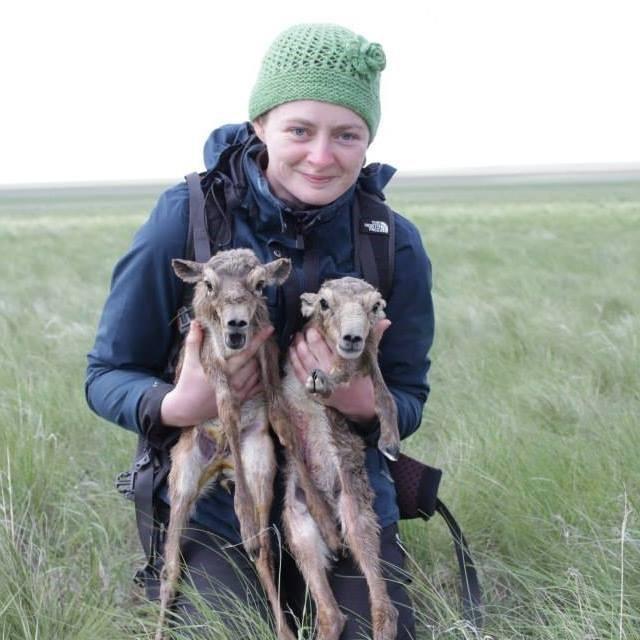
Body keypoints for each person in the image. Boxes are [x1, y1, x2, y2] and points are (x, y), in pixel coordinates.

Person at [86, 22, 434, 639]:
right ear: (259, 127)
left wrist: (361, 403)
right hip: (219, 497)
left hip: (341, 488)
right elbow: (105, 375)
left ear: (367, 140)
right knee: (223, 630)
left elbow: (406, 396)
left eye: (346, 135)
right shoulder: (188, 218)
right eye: (299, 130)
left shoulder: (391, 242)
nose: (321, 156)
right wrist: (174, 404)